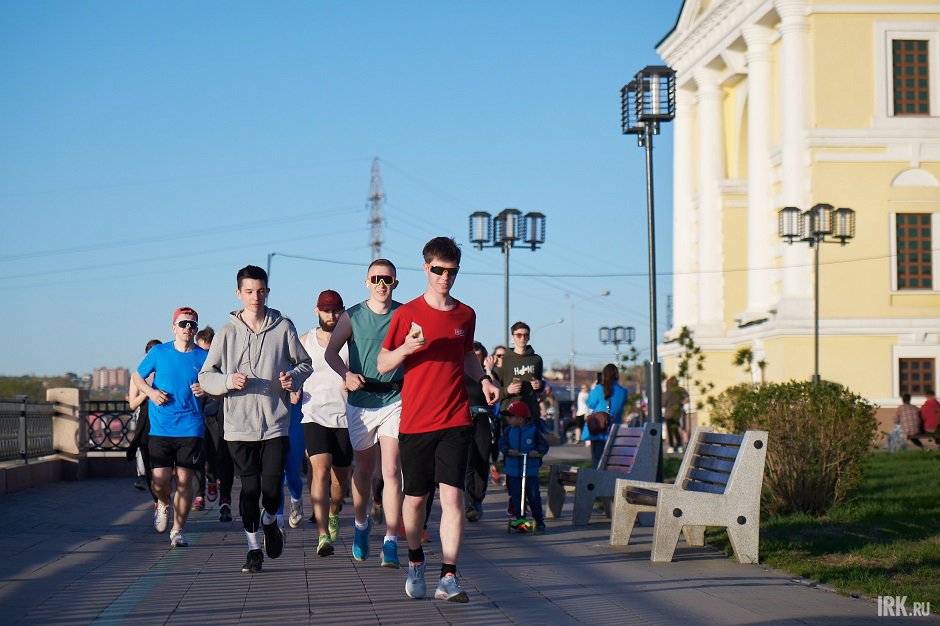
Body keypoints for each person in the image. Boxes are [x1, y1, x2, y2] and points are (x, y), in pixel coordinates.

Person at [378, 236, 500, 603]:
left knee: (453, 498)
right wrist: (407, 348)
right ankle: (415, 560)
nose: (445, 277)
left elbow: (466, 357)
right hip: (416, 421)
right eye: (438, 270)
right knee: (415, 500)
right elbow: (383, 364)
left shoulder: (466, 315)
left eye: (452, 271)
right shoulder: (406, 314)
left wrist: (485, 378)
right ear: (425, 268)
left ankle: (448, 576)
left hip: (456, 419)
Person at [198, 265, 313, 574]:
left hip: (275, 423)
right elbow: (206, 376)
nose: (255, 297)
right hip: (239, 426)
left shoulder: (283, 327)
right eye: (249, 291)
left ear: (267, 292)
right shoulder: (226, 332)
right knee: (249, 491)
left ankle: (270, 522)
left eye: (260, 291)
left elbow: (305, 363)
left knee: (272, 490)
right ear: (239, 294)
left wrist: (293, 378)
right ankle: (253, 549)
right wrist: (227, 381)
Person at [325, 258, 405, 568]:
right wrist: (345, 374)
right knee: (363, 470)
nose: (382, 285)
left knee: (391, 470)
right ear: (366, 282)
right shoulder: (352, 315)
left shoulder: (403, 314)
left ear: (395, 283)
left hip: (394, 398)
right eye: (376, 279)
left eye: (387, 280)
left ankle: (391, 540)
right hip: (360, 402)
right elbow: (332, 352)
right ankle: (361, 525)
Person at [131, 308, 208, 548]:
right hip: (161, 427)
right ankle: (163, 503)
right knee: (160, 480)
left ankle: (177, 530)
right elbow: (136, 376)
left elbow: (217, 384)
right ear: (173, 327)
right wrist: (151, 393)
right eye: (183, 324)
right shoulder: (159, 352)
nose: (188, 328)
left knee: (185, 481)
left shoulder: (204, 356)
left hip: (191, 426)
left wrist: (207, 389)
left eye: (192, 325)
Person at [300, 289, 353, 557]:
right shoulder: (305, 341)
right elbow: (289, 369)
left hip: (346, 417)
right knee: (319, 470)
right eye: (326, 310)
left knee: (340, 482)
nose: (331, 315)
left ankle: (334, 510)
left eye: (336, 310)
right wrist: (291, 387)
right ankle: (322, 535)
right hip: (314, 415)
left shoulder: (349, 341)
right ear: (316, 311)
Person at [195, 326, 236, 522]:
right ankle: (203, 489)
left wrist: (210, 389)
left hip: (221, 414)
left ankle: (225, 500)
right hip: (198, 416)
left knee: (222, 456)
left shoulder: (223, 360)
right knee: (202, 456)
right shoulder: (194, 362)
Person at [499, 400, 549, 533]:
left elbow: (544, 446)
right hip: (513, 471)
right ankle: (521, 519)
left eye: (510, 416)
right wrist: (509, 451)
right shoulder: (508, 430)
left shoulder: (533, 431)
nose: (508, 419)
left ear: (520, 419)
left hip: (530, 471)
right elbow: (502, 444)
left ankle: (539, 520)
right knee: (516, 496)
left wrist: (536, 452)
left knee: (533, 496)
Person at [464, 341, 496, 522]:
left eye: (479, 356)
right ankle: (469, 503)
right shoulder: (461, 373)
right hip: (465, 419)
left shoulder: (488, 376)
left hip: (483, 419)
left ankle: (478, 499)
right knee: (468, 462)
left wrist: (488, 371)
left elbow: (495, 392)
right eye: (472, 356)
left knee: (482, 460)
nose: (475, 359)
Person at [126, 339, 162, 501]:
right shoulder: (139, 376)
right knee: (149, 464)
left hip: (163, 423)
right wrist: (147, 392)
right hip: (145, 424)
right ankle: (157, 499)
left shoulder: (164, 372)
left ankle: (162, 497)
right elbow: (132, 404)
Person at [582, 363, 628, 469]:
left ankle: (598, 482)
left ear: (604, 375)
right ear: (617, 375)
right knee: (611, 461)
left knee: (597, 460)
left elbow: (590, 403)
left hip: (598, 430)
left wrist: (593, 388)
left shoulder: (598, 388)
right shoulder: (623, 391)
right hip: (614, 431)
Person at [496, 322, 544, 423]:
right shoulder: (503, 360)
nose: (522, 338)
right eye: (519, 335)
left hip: (531, 412)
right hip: (509, 413)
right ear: (512, 337)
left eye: (526, 335)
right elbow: (495, 388)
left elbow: (542, 384)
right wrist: (508, 390)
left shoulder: (536, 359)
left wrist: (539, 385)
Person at [663, 376, 688, 453]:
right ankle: (679, 446)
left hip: (669, 414)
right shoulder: (680, 390)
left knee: (670, 431)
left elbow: (663, 403)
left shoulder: (667, 392)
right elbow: (686, 396)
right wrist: (682, 403)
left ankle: (671, 446)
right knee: (676, 430)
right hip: (677, 413)